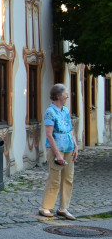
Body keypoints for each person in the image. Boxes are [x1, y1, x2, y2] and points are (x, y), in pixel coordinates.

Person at [39, 83, 79, 220]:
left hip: (68, 147)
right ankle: (45, 207)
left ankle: (63, 208)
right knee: (54, 179)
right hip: (56, 148)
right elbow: (49, 134)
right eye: (65, 93)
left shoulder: (65, 110)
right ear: (58, 96)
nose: (67, 95)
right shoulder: (50, 112)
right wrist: (57, 154)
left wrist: (75, 146)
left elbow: (70, 129)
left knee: (68, 178)